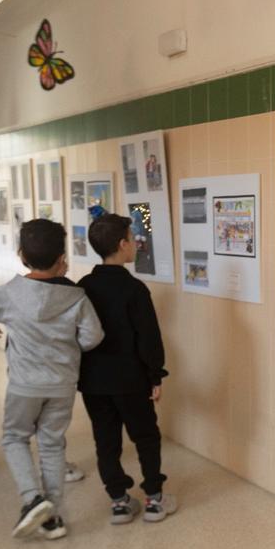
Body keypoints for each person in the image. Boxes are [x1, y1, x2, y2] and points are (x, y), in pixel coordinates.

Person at [0, 220, 103, 539]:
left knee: (14, 437)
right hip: (62, 384)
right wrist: (68, 348)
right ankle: (52, 517)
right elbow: (93, 337)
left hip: (24, 385)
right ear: (62, 258)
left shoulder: (10, 293)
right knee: (52, 443)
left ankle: (32, 499)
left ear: (21, 255)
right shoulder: (77, 297)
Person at [78, 212, 175, 524]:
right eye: (133, 239)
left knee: (106, 441)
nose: (135, 244)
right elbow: (149, 338)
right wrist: (155, 375)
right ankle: (154, 499)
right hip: (131, 380)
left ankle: (119, 501)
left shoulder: (83, 287)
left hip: (93, 382)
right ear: (122, 245)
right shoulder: (134, 289)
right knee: (145, 437)